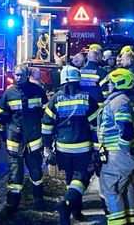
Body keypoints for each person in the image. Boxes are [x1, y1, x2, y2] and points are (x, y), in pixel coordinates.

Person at [43, 66, 100, 225]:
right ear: (78, 79)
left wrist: (47, 149)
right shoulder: (87, 98)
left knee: (71, 179)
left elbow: (46, 126)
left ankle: (76, 212)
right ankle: (66, 205)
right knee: (81, 178)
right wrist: (97, 150)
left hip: (62, 149)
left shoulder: (55, 99)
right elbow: (96, 127)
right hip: (83, 148)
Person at [0, 64, 48, 213]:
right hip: (15, 142)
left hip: (33, 141)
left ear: (27, 75)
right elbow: (0, 115)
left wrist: (48, 134)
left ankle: (38, 202)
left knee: (36, 173)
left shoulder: (38, 91)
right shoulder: (9, 93)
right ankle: (12, 205)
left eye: (21, 75)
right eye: (16, 75)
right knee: (14, 176)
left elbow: (46, 115)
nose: (18, 78)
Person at [97, 68, 134, 225]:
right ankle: (130, 220)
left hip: (118, 155)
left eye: (110, 82)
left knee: (110, 190)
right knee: (125, 188)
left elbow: (126, 129)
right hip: (126, 154)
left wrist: (122, 149)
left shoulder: (119, 101)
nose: (108, 85)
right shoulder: (127, 99)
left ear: (118, 82)